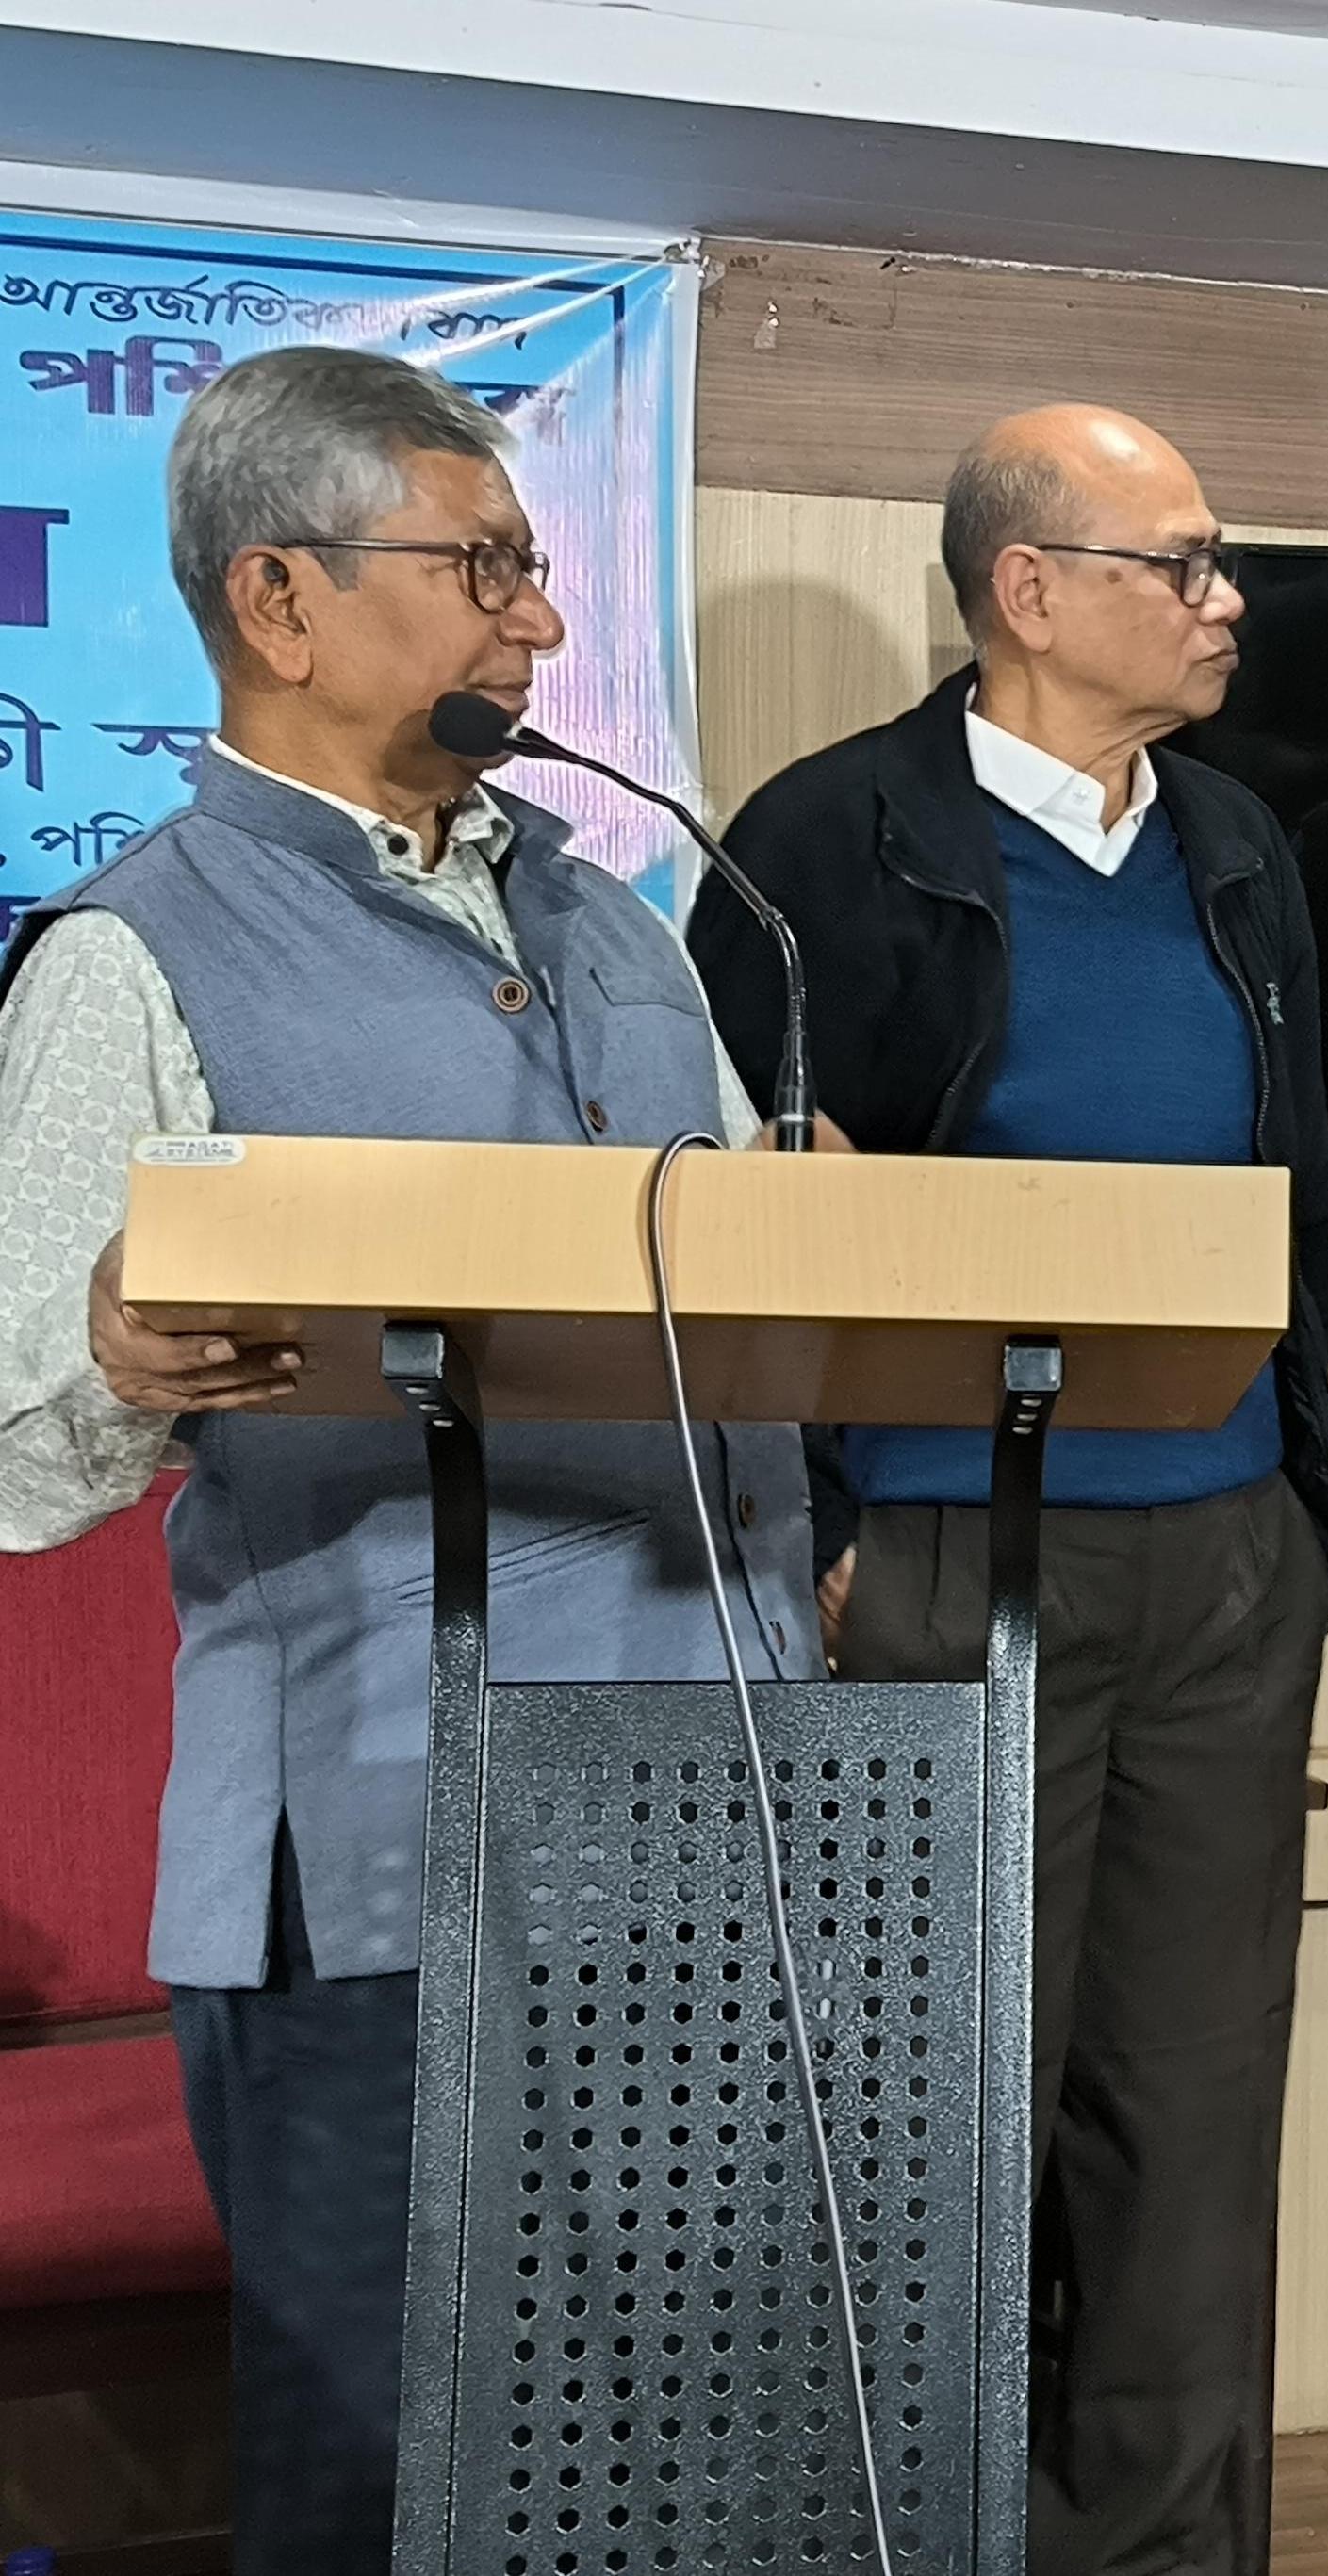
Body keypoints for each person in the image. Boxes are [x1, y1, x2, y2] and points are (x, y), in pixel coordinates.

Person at [0, 344, 814, 2576]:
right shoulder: (131, 954)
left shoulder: (624, 922)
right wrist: (120, 1354)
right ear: (277, 597)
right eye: (481, 567)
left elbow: (747, 1295)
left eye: (534, 570)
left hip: (720, 1814)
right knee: (394, 2479)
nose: (535, 622)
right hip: (375, 1854)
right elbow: (17, 1454)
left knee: (686, 2472)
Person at [690, 403, 1328, 2576]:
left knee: (1193, 2106)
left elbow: (1302, 1208)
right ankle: (906, 2536)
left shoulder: (1239, 840)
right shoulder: (825, 839)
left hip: (1227, 1555)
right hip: (943, 1553)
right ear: (1029, 591)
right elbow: (724, 1229)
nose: (1226, 601)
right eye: (1183, 562)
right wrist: (819, 1529)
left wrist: (1307, 1513)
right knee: (929, 2100)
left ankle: (1164, 2548)